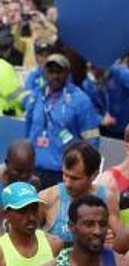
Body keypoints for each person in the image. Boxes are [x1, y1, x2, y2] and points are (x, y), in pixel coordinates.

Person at [25, 53, 100, 188]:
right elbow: (27, 130)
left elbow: (92, 139)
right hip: (35, 170)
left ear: (67, 73)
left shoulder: (80, 100)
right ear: (44, 72)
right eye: (51, 71)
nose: (55, 76)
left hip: (64, 173)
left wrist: (87, 171)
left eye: (59, 71)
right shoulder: (36, 95)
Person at [40, 141, 115, 245]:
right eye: (65, 175)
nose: (68, 183)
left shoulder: (107, 198)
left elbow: (119, 240)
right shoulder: (47, 198)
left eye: (75, 178)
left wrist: (112, 240)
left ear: (94, 175)